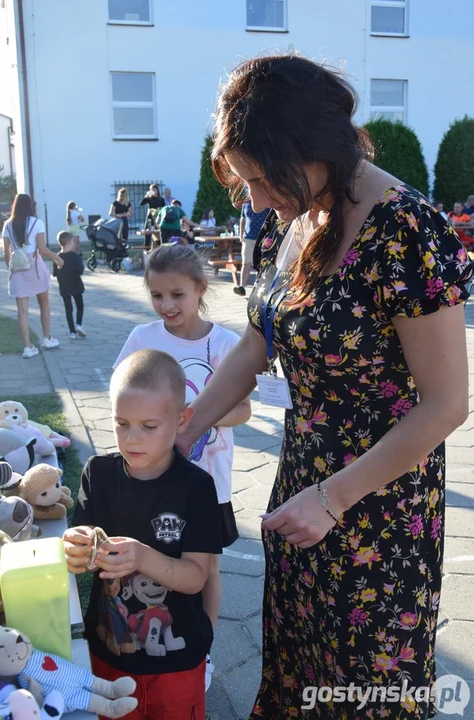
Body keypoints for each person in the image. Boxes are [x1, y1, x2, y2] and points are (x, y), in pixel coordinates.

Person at [174, 55, 472, 719]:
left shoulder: (406, 230)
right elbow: (259, 340)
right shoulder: (304, 214)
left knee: (362, 690)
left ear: (314, 151)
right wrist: (187, 429)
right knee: (299, 669)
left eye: (260, 179)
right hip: (302, 487)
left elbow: (448, 403)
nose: (254, 200)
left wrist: (331, 500)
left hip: (376, 513)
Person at [114, 244, 251, 688]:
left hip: (209, 483)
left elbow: (243, 410)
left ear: (200, 289)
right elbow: (122, 398)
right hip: (153, 481)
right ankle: (151, 634)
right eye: (157, 296)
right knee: (156, 563)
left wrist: (192, 416)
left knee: (205, 568)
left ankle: (202, 650)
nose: (167, 306)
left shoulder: (226, 344)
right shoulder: (141, 339)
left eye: (177, 294)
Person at [62, 348, 222, 720]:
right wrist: (77, 546)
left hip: (178, 660)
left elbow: (197, 576)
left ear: (182, 420)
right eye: (121, 423)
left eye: (149, 426)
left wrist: (143, 557)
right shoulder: (98, 472)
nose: (132, 438)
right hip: (110, 653)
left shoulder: (196, 487)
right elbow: (79, 551)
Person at [2, 193, 63, 359]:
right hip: (35, 267)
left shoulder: (7, 225)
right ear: (30, 206)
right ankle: (47, 339)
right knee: (44, 303)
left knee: (22, 312)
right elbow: (42, 250)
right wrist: (56, 257)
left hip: (18, 268)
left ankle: (28, 348)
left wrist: (11, 268)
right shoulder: (37, 223)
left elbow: (6, 254)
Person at [53, 231, 86, 339]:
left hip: (64, 286)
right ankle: (79, 325)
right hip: (76, 284)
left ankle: (72, 332)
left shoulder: (57, 258)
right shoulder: (75, 256)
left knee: (68, 309)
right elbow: (80, 271)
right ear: (69, 243)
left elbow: (55, 273)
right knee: (79, 305)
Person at [233, 200, 270, 296]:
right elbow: (242, 219)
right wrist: (241, 235)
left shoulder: (265, 201)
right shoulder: (245, 204)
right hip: (248, 237)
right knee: (246, 262)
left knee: (260, 264)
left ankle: (258, 287)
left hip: (263, 238)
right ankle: (242, 286)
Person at [140, 184, 165, 250]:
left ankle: (159, 248)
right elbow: (141, 203)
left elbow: (164, 208)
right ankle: (146, 249)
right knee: (147, 232)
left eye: (154, 189)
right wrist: (146, 196)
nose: (153, 191)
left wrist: (159, 210)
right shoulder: (149, 198)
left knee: (158, 233)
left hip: (158, 218)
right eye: (151, 190)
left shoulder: (161, 199)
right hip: (150, 217)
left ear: (157, 190)